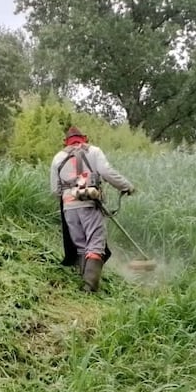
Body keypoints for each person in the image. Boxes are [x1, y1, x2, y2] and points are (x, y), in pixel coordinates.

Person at [50, 126, 135, 293]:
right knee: (96, 243)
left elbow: (55, 190)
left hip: (69, 207)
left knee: (81, 245)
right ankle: (90, 287)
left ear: (65, 142)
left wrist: (70, 195)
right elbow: (106, 172)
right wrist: (126, 186)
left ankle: (85, 281)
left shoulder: (58, 157)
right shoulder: (94, 151)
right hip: (89, 204)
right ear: (85, 138)